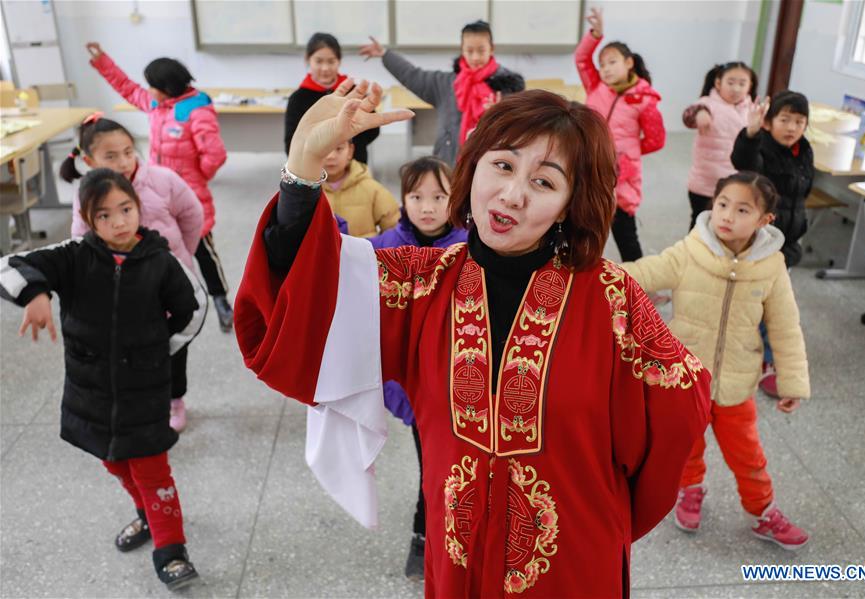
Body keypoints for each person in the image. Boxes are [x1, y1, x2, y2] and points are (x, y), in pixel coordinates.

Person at [234, 80, 711, 597]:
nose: (512, 195)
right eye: (502, 165)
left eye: (545, 183)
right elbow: (306, 296)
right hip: (457, 555)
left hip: (570, 561)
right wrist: (303, 168)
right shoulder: (418, 284)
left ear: (571, 205)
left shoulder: (612, 300)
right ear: (474, 165)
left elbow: (677, 410)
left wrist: (607, 519)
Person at [0, 169, 206, 590]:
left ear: (138, 207)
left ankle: (171, 549)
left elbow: (195, 307)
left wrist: (159, 352)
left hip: (145, 391)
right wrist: (36, 294)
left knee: (153, 471)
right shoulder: (74, 255)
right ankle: (148, 514)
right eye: (105, 215)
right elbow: (9, 265)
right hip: (90, 391)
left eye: (126, 209)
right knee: (114, 459)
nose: (119, 222)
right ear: (90, 221)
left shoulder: (160, 261)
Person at [621, 171, 810, 551]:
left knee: (749, 456)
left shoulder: (771, 268)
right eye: (722, 204)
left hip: (736, 386)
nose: (727, 215)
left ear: (764, 221)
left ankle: (763, 511)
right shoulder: (690, 251)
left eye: (742, 210)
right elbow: (642, 272)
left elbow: (786, 326)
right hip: (685, 382)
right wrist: (591, 274)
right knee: (686, 448)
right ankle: (690, 490)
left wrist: (792, 382)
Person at [61, 114, 203, 432]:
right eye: (111, 156)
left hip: (168, 290)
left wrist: (181, 258)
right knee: (134, 353)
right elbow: (81, 243)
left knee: (174, 351)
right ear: (88, 160)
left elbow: (193, 216)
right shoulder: (86, 195)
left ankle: (174, 399)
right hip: (124, 297)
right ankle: (142, 400)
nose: (124, 162)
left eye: (128, 151)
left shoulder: (163, 180)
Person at [85, 42, 234, 332]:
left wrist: (197, 177)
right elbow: (127, 88)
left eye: (153, 85)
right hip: (153, 189)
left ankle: (221, 300)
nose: (148, 89)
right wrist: (102, 60)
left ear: (167, 86)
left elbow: (215, 155)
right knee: (159, 246)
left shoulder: (197, 109)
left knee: (203, 251)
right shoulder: (156, 103)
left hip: (189, 193)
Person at [368, 155, 467, 580]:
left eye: (439, 197)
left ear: (456, 198)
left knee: (461, 466)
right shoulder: (387, 244)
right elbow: (342, 265)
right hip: (416, 383)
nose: (427, 207)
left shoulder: (471, 245)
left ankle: (462, 536)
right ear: (402, 198)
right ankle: (423, 535)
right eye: (416, 196)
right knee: (433, 465)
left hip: (463, 379)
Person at [731, 90, 814, 397]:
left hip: (787, 242)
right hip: (761, 242)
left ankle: (759, 351)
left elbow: (804, 192)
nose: (792, 127)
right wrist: (750, 134)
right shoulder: (762, 147)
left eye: (799, 121)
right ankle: (768, 361)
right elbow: (743, 163)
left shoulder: (804, 150)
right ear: (769, 122)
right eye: (784, 119)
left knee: (772, 304)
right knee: (767, 304)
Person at [359, 20, 525, 163]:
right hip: (449, 167)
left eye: (481, 50)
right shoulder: (447, 84)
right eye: (469, 51)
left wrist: (497, 113)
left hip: (488, 168)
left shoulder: (508, 88)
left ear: (492, 48)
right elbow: (412, 75)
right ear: (462, 49)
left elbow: (519, 132)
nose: (475, 57)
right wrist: (385, 54)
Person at [574, 6, 665, 262]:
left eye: (612, 62)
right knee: (585, 228)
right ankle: (583, 278)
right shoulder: (595, 85)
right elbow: (582, 59)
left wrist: (628, 153)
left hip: (622, 177)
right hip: (590, 167)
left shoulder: (644, 99)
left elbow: (657, 140)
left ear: (628, 63)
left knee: (625, 234)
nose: (605, 68)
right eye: (602, 64)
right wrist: (595, 34)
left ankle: (639, 283)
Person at [284, 32, 380, 163]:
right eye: (318, 61)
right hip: (314, 168)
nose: (325, 68)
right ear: (308, 59)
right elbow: (291, 144)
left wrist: (349, 148)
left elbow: (372, 130)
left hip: (353, 163)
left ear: (339, 61)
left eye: (331, 61)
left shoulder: (355, 92)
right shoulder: (298, 99)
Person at [683, 62, 757, 229]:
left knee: (725, 226)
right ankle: (691, 255)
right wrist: (699, 114)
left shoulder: (751, 109)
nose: (736, 89)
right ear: (718, 83)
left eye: (742, 84)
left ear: (750, 85)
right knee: (699, 225)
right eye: (730, 83)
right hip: (705, 182)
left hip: (735, 183)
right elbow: (688, 115)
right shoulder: (707, 104)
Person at [320, 139, 399, 237]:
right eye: (325, 149)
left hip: (362, 251)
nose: (331, 156)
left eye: (339, 149)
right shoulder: (306, 190)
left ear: (350, 151)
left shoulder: (372, 189)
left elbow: (395, 230)